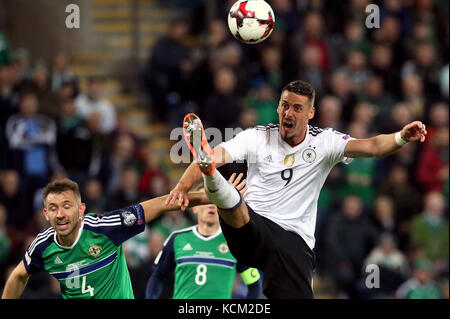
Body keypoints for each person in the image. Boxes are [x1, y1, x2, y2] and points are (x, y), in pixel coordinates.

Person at [166, 80, 428, 299]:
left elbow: (372, 146)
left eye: (297, 108)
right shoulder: (257, 136)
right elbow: (216, 154)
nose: (288, 112)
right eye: (284, 105)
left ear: (310, 113)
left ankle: (216, 182)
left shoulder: (325, 142)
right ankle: (211, 177)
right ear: (278, 107)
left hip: (294, 241)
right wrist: (182, 185)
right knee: (230, 193)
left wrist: (401, 137)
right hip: (253, 227)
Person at [1, 177, 212, 299]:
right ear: (46, 214)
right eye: (53, 208)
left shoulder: (105, 227)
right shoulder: (42, 245)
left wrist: (212, 197)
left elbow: (163, 203)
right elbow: (18, 276)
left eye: (67, 206)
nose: (61, 214)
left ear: (81, 209)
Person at [146, 174, 261, 299]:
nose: (210, 205)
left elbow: (254, 284)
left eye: (214, 200)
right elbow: (158, 276)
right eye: (204, 201)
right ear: (194, 208)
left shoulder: (235, 242)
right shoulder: (177, 238)